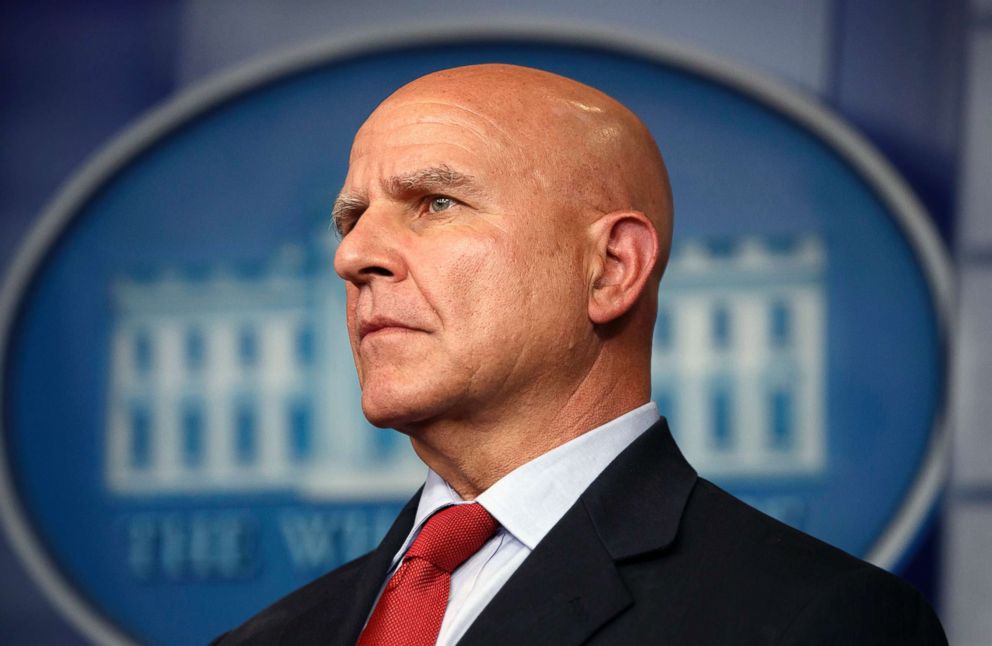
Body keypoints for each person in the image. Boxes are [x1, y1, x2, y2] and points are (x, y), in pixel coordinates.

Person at [214, 64, 946, 645]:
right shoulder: (265, 638)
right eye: (352, 218)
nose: (353, 255)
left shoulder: (821, 622)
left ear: (612, 269)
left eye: (436, 202)